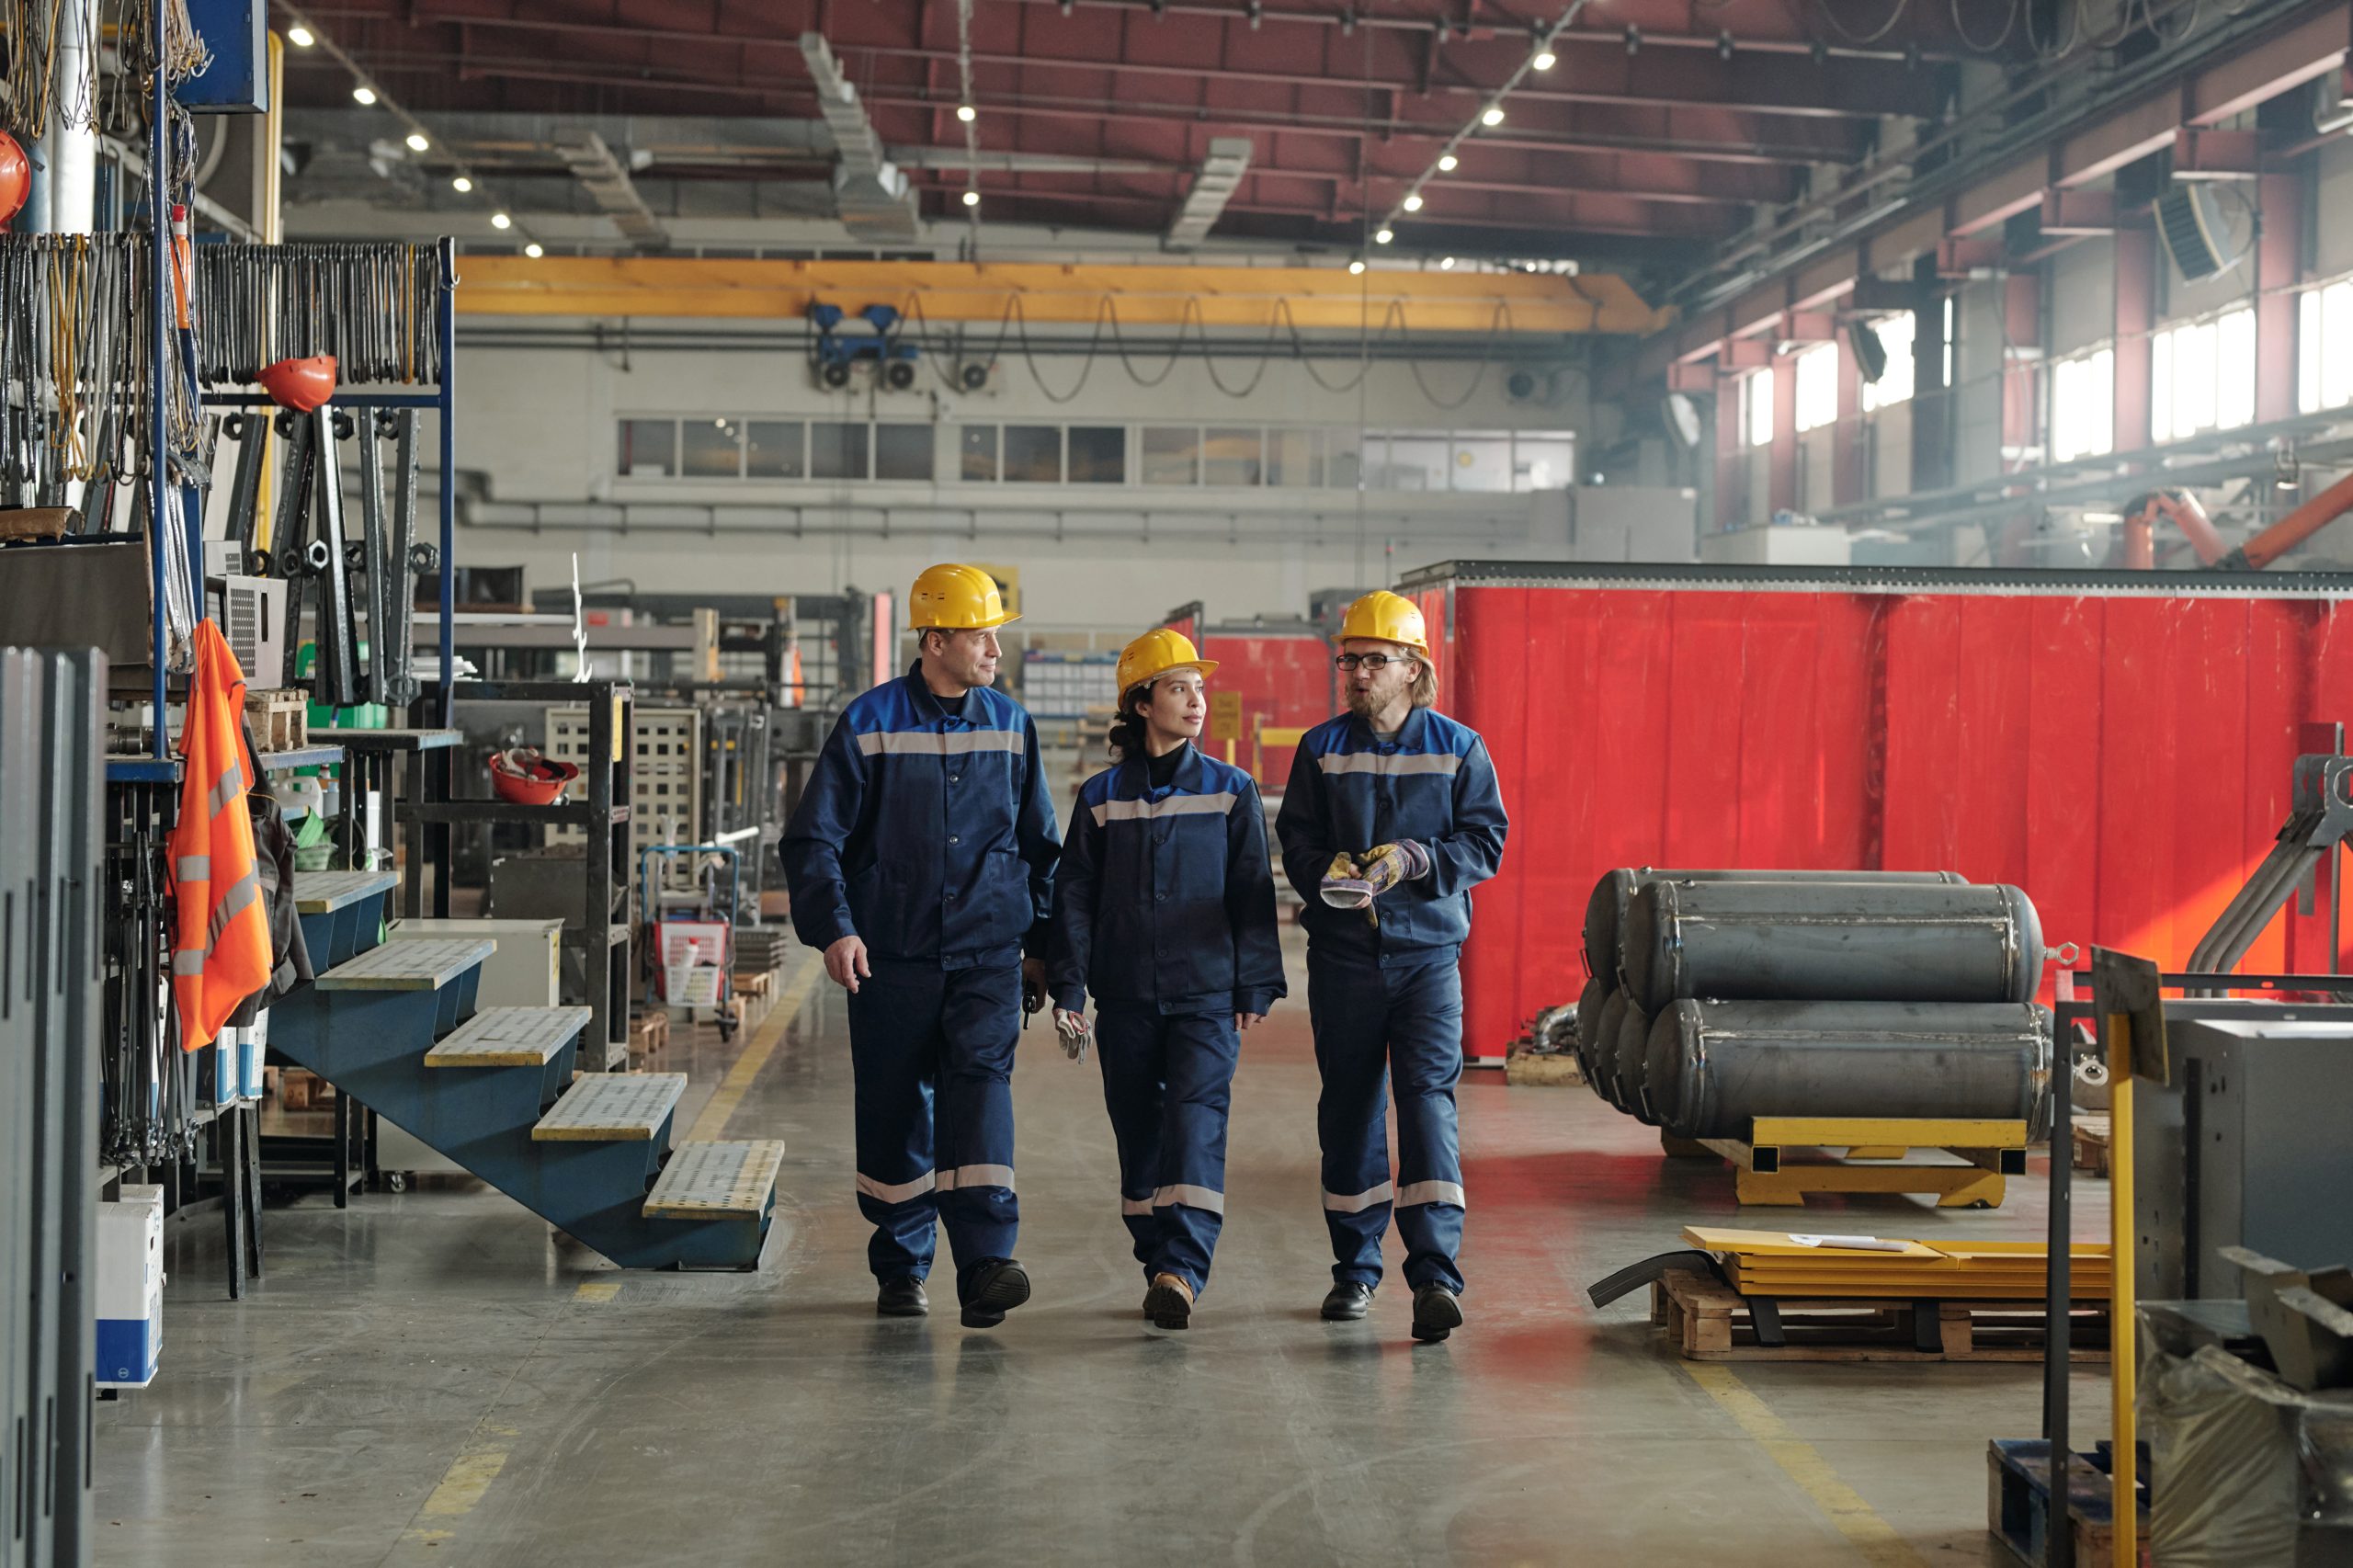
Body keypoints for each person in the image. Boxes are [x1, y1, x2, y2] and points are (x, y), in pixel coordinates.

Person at [782, 563, 1060, 1328]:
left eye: (995, 637)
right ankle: (903, 1266)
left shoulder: (1010, 725)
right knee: (897, 1106)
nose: (994, 651)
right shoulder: (869, 724)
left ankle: (985, 1266)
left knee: (981, 1097)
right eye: (980, 636)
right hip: (892, 957)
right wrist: (835, 929)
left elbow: (1042, 846)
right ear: (934, 641)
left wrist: (1041, 946)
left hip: (987, 956)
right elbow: (814, 842)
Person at [1274, 590, 1508, 1344]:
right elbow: (1298, 841)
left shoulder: (1459, 748)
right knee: (1348, 1108)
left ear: (1414, 670)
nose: (1358, 673)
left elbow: (1486, 843)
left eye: (1376, 660)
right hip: (1345, 959)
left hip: (1428, 960)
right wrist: (1326, 873)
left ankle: (1436, 1276)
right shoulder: (1321, 749)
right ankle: (1355, 1270)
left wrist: (1417, 858)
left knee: (1428, 1104)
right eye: (1350, 660)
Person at [1048, 629, 1286, 1332]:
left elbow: (1252, 892)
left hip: (1206, 995)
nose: (1197, 701)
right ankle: (1156, 1259)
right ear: (1142, 701)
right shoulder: (1100, 798)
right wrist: (1068, 992)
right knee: (1138, 1132)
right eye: (1180, 688)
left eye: (1200, 689)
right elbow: (1075, 900)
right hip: (1124, 998)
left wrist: (1253, 986)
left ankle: (1183, 1267)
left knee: (1195, 1122)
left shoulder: (1229, 791)